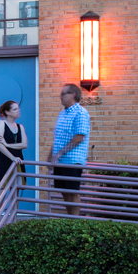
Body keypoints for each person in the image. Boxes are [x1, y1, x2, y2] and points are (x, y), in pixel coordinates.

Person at [50, 84, 90, 216]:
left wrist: (60, 152)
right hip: (59, 161)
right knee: (64, 191)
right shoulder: (62, 113)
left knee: (73, 191)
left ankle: (75, 222)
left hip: (72, 161)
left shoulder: (81, 113)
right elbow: (57, 137)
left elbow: (79, 137)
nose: (60, 97)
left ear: (73, 94)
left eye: (63, 94)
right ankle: (69, 219)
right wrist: (51, 155)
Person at [0, 99, 28, 192]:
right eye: (15, 109)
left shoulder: (20, 127)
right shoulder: (1, 123)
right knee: (1, 190)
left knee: (15, 190)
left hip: (18, 160)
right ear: (7, 112)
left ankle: (14, 207)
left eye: (18, 108)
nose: (18, 111)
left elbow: (24, 145)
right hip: (5, 159)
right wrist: (12, 157)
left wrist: (7, 144)